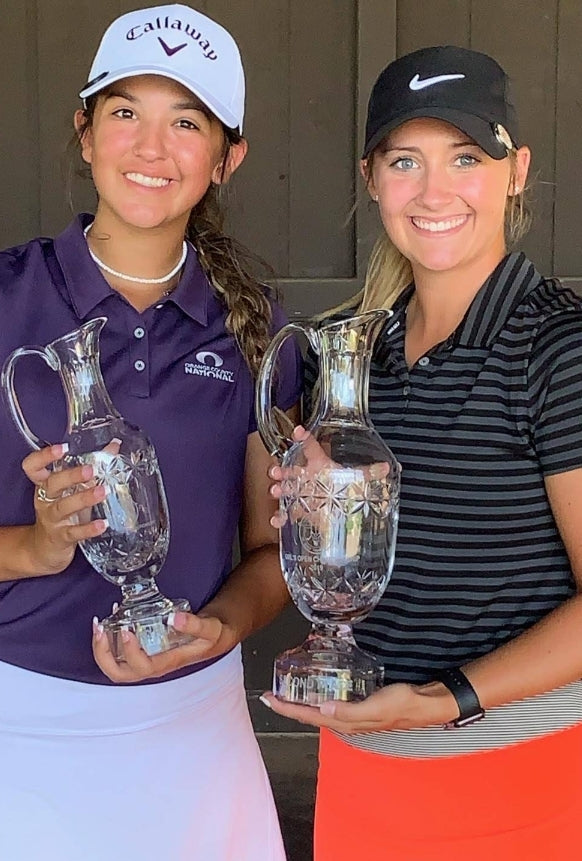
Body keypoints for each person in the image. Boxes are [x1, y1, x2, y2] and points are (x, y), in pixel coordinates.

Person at [0, 6, 300, 860]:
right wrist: (30, 547)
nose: (150, 147)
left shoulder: (254, 332)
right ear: (86, 130)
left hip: (190, 726)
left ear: (226, 157)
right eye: (125, 111)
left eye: (186, 121)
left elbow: (269, 555)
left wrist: (222, 627)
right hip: (6, 726)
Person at [262, 45, 582, 860]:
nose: (434, 192)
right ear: (372, 179)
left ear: (518, 172)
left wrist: (445, 701)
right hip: (363, 775)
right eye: (406, 161)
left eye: (466, 158)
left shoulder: (558, 347)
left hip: (521, 780)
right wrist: (320, 521)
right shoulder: (357, 355)